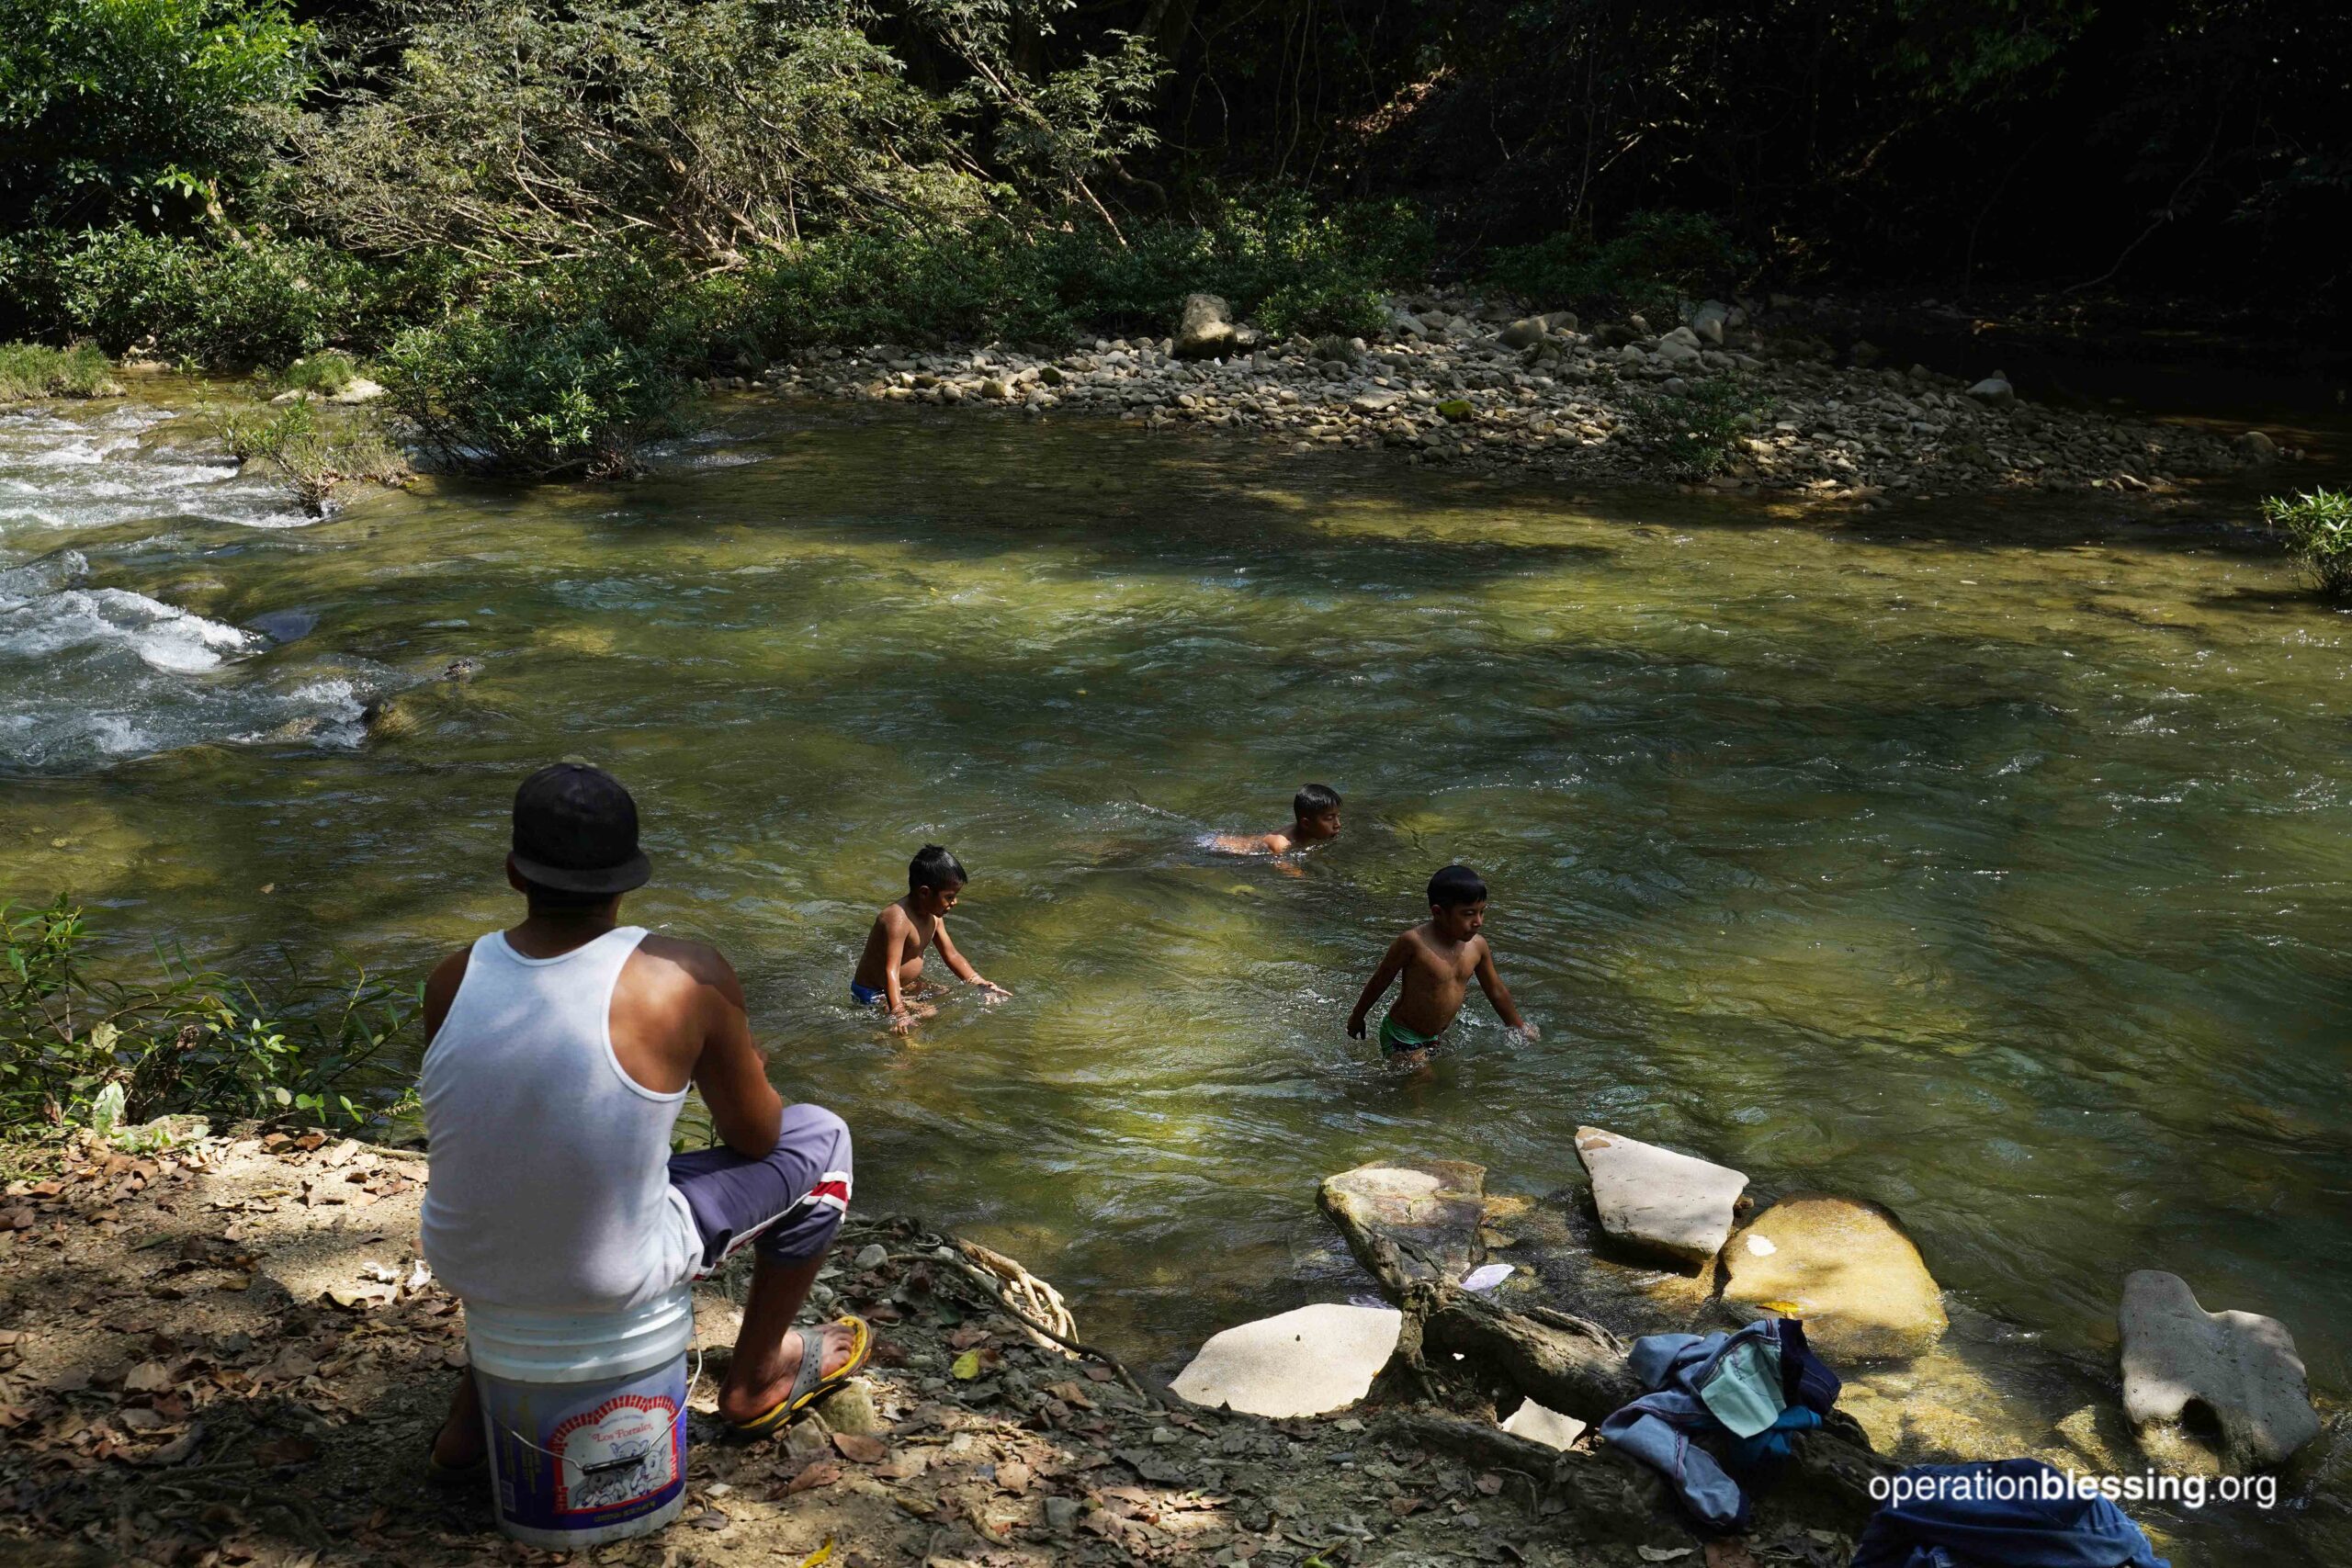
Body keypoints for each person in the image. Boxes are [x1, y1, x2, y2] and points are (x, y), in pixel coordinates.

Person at [419, 762, 868, 1470]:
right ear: (631, 878)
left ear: (513, 873)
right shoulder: (688, 976)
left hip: (463, 1257)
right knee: (826, 1140)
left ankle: (472, 1422)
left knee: (527, 1170)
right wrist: (740, 1064)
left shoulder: (452, 977)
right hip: (607, 1269)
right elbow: (761, 1137)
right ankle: (757, 1376)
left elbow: (504, 1123)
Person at [1347, 863, 1538, 1066]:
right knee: (1422, 1084)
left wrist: (1518, 1026)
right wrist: (1358, 1015)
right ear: (1438, 912)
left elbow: (1496, 990)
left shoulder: (1478, 946)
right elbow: (1380, 980)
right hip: (1403, 1034)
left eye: (1482, 912)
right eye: (1468, 914)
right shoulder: (1414, 943)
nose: (1478, 921)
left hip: (1435, 1036)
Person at [851, 844, 1010, 1032]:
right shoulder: (897, 919)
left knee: (948, 994)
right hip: (874, 992)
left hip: (907, 985)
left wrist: (980, 983)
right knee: (929, 1013)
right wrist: (899, 1013)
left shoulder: (934, 916)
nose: (955, 902)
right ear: (925, 892)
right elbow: (890, 970)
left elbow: (952, 955)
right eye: (949, 897)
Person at [1215, 783, 1343, 855]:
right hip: (1218, 848)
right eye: (1329, 818)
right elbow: (1287, 870)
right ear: (1306, 823)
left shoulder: (1311, 830)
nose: (1338, 824)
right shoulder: (1282, 846)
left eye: (1338, 816)